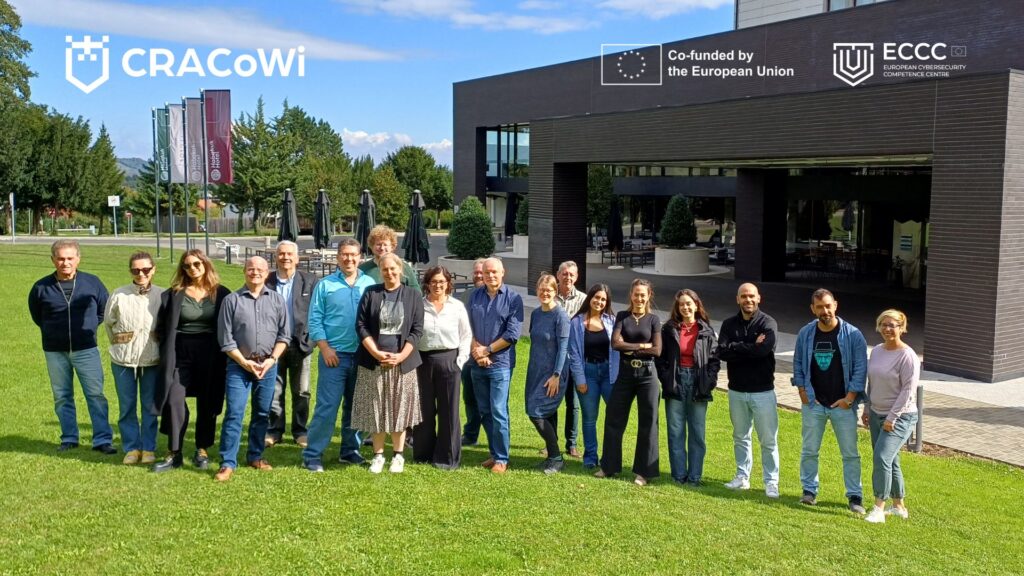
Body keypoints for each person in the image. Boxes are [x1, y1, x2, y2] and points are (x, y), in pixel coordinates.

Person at [28, 240, 115, 454]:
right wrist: (53, 331)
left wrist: (89, 326)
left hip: (86, 348)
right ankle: (69, 438)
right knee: (62, 395)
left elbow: (105, 309)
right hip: (55, 350)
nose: (65, 262)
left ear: (78, 259)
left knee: (95, 394)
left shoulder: (92, 282)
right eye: (60, 258)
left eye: (69, 258)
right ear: (53, 260)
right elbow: (37, 315)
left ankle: (102, 439)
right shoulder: (41, 287)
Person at [301, 239, 377, 472]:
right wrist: (324, 348)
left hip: (363, 356)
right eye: (344, 255)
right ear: (337, 258)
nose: (349, 259)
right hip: (334, 355)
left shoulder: (370, 284)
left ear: (360, 257)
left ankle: (349, 451)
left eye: (353, 255)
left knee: (356, 407)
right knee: (327, 406)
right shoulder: (325, 285)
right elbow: (315, 319)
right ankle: (313, 454)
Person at [213, 256, 290, 482]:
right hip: (239, 366)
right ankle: (227, 462)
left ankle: (255, 456)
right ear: (244, 272)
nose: (254, 272)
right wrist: (244, 362)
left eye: (259, 269)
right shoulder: (231, 300)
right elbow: (225, 339)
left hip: (267, 365)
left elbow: (284, 336)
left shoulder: (276, 300)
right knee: (235, 413)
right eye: (250, 269)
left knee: (262, 414)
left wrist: (271, 360)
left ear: (267, 273)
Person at [153, 250, 230, 473]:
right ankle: (174, 452)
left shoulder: (222, 294)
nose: (193, 268)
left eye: (197, 264)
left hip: (211, 351)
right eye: (187, 265)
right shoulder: (173, 295)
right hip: (179, 351)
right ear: (182, 269)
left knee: (207, 400)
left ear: (205, 264)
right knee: (174, 398)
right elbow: (161, 327)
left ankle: (202, 449)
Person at [792, 288, 867, 513]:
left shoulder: (853, 335)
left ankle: (855, 497)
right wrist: (802, 391)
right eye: (819, 307)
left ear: (835, 305)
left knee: (850, 453)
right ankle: (809, 492)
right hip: (814, 403)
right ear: (812, 309)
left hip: (843, 405)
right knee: (809, 450)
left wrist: (850, 398)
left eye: (828, 305)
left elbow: (860, 369)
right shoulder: (806, 333)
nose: (825, 311)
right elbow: (797, 363)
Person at [352, 253, 425, 474]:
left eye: (393, 269)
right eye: (385, 270)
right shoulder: (371, 293)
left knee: (399, 411)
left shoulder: (413, 295)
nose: (389, 273)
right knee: (376, 410)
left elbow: (417, 330)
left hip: (402, 364)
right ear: (380, 272)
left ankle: (398, 455)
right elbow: (361, 325)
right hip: (374, 362)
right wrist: (375, 352)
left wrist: (401, 356)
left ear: (400, 270)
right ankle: (378, 455)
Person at [596, 279, 662, 486]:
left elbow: (657, 350)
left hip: (647, 376)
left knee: (648, 422)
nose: (639, 298)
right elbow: (615, 343)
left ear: (649, 295)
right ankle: (609, 466)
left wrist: (630, 347)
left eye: (643, 295)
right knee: (614, 418)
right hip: (625, 374)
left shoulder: (654, 320)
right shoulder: (622, 317)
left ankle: (644, 472)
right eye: (636, 294)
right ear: (631, 295)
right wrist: (643, 344)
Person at [718, 283, 780, 498]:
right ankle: (742, 477)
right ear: (738, 299)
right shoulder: (728, 324)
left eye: (751, 296)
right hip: (736, 390)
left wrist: (736, 346)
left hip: (763, 391)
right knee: (740, 436)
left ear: (759, 298)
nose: (748, 300)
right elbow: (722, 352)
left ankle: (771, 482)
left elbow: (764, 350)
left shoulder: (768, 323)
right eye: (744, 296)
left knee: (768, 439)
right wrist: (749, 346)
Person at [104, 251, 163, 465]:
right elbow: (109, 323)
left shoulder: (162, 295)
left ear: (153, 269)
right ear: (131, 271)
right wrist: (122, 343)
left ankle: (148, 448)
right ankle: (131, 447)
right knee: (127, 404)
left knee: (149, 405)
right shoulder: (119, 294)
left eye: (146, 269)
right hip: (123, 360)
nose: (141, 274)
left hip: (152, 359)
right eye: (136, 270)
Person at [656, 289, 720, 487]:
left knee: (697, 432)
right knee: (675, 431)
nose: (685, 307)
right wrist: (666, 378)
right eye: (681, 304)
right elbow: (661, 358)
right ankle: (678, 475)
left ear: (696, 305)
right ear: (677, 308)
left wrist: (709, 381)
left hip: (698, 381)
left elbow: (714, 360)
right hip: (675, 380)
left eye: (688, 303)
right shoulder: (668, 329)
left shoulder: (706, 331)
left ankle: (694, 477)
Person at [863, 309, 920, 524]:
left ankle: (879, 507)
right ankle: (899, 507)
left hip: (900, 417)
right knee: (891, 460)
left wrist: (892, 418)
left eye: (893, 325)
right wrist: (867, 408)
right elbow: (872, 382)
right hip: (876, 413)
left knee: (882, 458)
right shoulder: (877, 351)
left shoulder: (908, 356)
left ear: (902, 328)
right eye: (883, 325)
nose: (887, 329)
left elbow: (908, 391)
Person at [468, 257, 524, 475]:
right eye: (487, 272)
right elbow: (467, 327)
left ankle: (502, 458)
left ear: (503, 273)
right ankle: (494, 453)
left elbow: (512, 334)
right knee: (485, 411)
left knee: (499, 410)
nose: (490, 276)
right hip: (477, 363)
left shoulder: (513, 298)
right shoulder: (475, 296)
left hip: (500, 364)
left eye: (494, 272)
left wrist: (487, 350)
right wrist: (478, 352)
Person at [414, 265, 472, 470]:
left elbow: (466, 335)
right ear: (427, 284)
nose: (437, 285)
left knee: (449, 410)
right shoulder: (419, 306)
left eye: (441, 282)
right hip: (423, 361)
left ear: (448, 284)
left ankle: (447, 457)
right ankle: (423, 453)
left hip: (449, 360)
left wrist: (460, 360)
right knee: (424, 410)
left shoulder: (456, 306)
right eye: (433, 282)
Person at [265, 240, 318, 448]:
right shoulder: (267, 280)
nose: (285, 257)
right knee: (274, 390)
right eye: (281, 254)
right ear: (276, 257)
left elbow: (317, 312)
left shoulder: (310, 280)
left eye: (290, 254)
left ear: (297, 258)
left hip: (301, 344)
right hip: (273, 345)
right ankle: (274, 430)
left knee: (302, 391)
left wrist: (311, 340)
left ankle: (300, 431)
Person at [566, 284, 618, 469]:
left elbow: (617, 351)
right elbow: (573, 353)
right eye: (597, 297)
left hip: (609, 374)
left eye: (603, 299)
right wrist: (580, 379)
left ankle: (610, 457)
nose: (599, 302)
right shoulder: (577, 322)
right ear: (590, 298)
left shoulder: (612, 321)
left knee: (613, 418)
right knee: (589, 419)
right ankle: (590, 457)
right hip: (588, 374)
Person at [555, 261, 586, 458]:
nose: (568, 278)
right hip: (554, 358)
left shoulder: (583, 300)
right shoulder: (550, 296)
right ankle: (551, 442)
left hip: (574, 358)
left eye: (571, 275)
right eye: (564, 274)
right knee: (552, 401)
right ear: (558, 275)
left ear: (576, 277)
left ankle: (572, 443)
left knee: (573, 404)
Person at [458, 258, 486, 446]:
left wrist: (485, 351)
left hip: (491, 357)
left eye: (481, 272)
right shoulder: (465, 296)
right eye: (475, 272)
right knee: (470, 397)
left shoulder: (500, 296)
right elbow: (461, 326)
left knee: (491, 401)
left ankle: (496, 440)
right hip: (468, 357)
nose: (478, 275)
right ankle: (470, 434)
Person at [358, 224, 421, 290]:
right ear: (372, 246)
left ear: (392, 247)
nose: (382, 248)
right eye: (378, 244)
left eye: (385, 245)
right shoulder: (362, 269)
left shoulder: (404, 267)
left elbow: (416, 293)